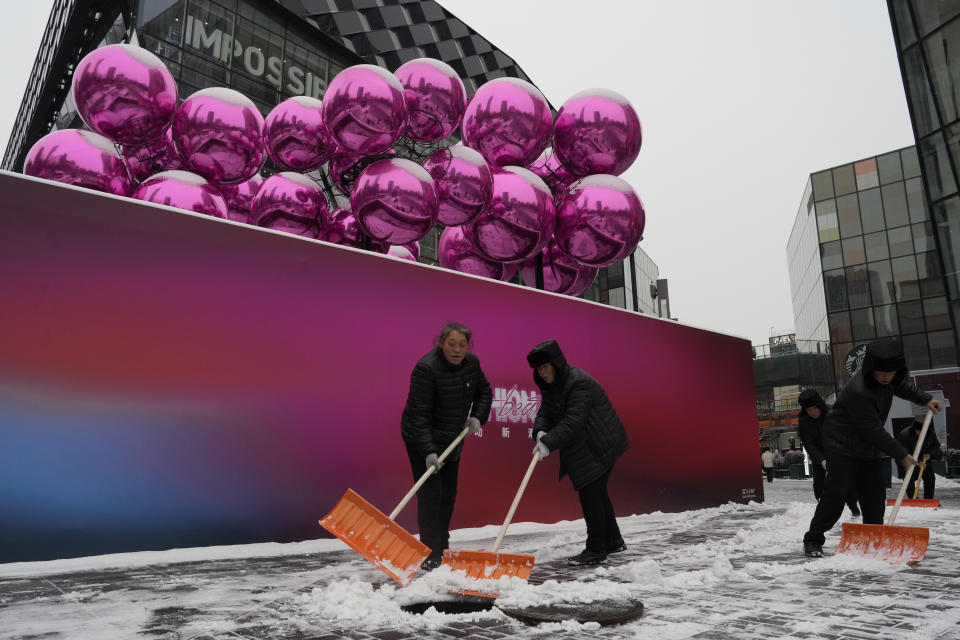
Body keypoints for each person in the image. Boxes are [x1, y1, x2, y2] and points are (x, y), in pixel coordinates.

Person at [802, 339, 941, 558]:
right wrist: (901, 454)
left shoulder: (890, 379)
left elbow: (902, 386)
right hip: (841, 445)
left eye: (891, 373)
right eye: (881, 373)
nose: (886, 377)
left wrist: (925, 400)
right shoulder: (859, 390)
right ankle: (813, 539)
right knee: (837, 493)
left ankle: (872, 537)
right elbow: (872, 430)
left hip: (866, 446)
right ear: (870, 369)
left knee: (874, 494)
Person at [527, 339, 629, 566]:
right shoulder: (553, 386)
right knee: (598, 491)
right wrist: (541, 431)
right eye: (539, 369)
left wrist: (548, 443)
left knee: (590, 492)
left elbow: (573, 422)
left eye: (546, 366)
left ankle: (596, 550)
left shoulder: (577, 382)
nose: (543, 372)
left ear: (556, 363)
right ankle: (613, 541)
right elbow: (545, 410)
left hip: (601, 442)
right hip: (586, 443)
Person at [400, 323, 492, 570]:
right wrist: (428, 451)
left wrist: (477, 417)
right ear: (441, 343)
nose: (457, 350)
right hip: (422, 439)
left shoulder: (472, 363)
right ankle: (431, 552)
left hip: (452, 439)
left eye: (462, 345)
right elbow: (418, 415)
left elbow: (484, 391)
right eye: (452, 344)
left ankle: (442, 545)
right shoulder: (426, 369)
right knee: (431, 496)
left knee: (448, 496)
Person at [797, 389, 860, 517]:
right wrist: (821, 460)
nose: (812, 412)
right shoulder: (804, 422)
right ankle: (824, 511)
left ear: (819, 405)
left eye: (814, 408)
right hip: (818, 457)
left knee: (845, 484)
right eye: (808, 410)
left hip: (837, 453)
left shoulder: (832, 414)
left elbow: (842, 435)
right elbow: (809, 443)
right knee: (819, 486)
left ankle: (854, 508)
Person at [896, 417, 944, 500]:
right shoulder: (905, 435)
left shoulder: (930, 434)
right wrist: (917, 462)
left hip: (924, 461)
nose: (921, 433)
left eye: (924, 431)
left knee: (930, 477)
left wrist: (930, 455)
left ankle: (928, 499)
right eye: (919, 431)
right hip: (908, 462)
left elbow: (936, 446)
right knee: (908, 478)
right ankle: (913, 499)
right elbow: (903, 453)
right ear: (915, 429)